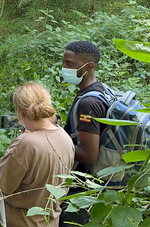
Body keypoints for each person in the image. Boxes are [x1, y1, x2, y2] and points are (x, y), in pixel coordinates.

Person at [0, 82, 74, 227]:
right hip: (51, 221)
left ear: (19, 111)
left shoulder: (25, 143)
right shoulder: (64, 136)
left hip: (21, 222)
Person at [60, 40, 107, 226]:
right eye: (64, 62)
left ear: (89, 66)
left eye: (69, 64)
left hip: (82, 188)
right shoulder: (98, 90)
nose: (64, 67)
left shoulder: (89, 103)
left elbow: (90, 156)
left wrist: (53, 138)